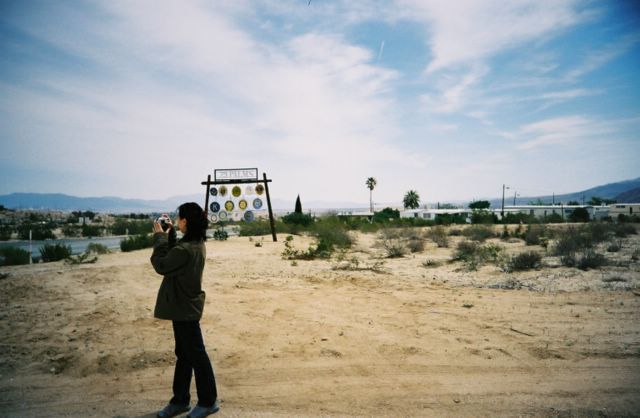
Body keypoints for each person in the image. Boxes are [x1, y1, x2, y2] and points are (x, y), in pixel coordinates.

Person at [150, 202, 219, 418]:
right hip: (185, 307)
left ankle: (208, 401)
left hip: (184, 308)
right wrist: (170, 235)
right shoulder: (195, 243)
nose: (176, 221)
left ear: (185, 221)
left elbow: (161, 264)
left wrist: (160, 237)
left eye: (179, 218)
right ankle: (180, 400)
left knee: (196, 355)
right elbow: (175, 257)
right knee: (185, 355)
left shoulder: (186, 249)